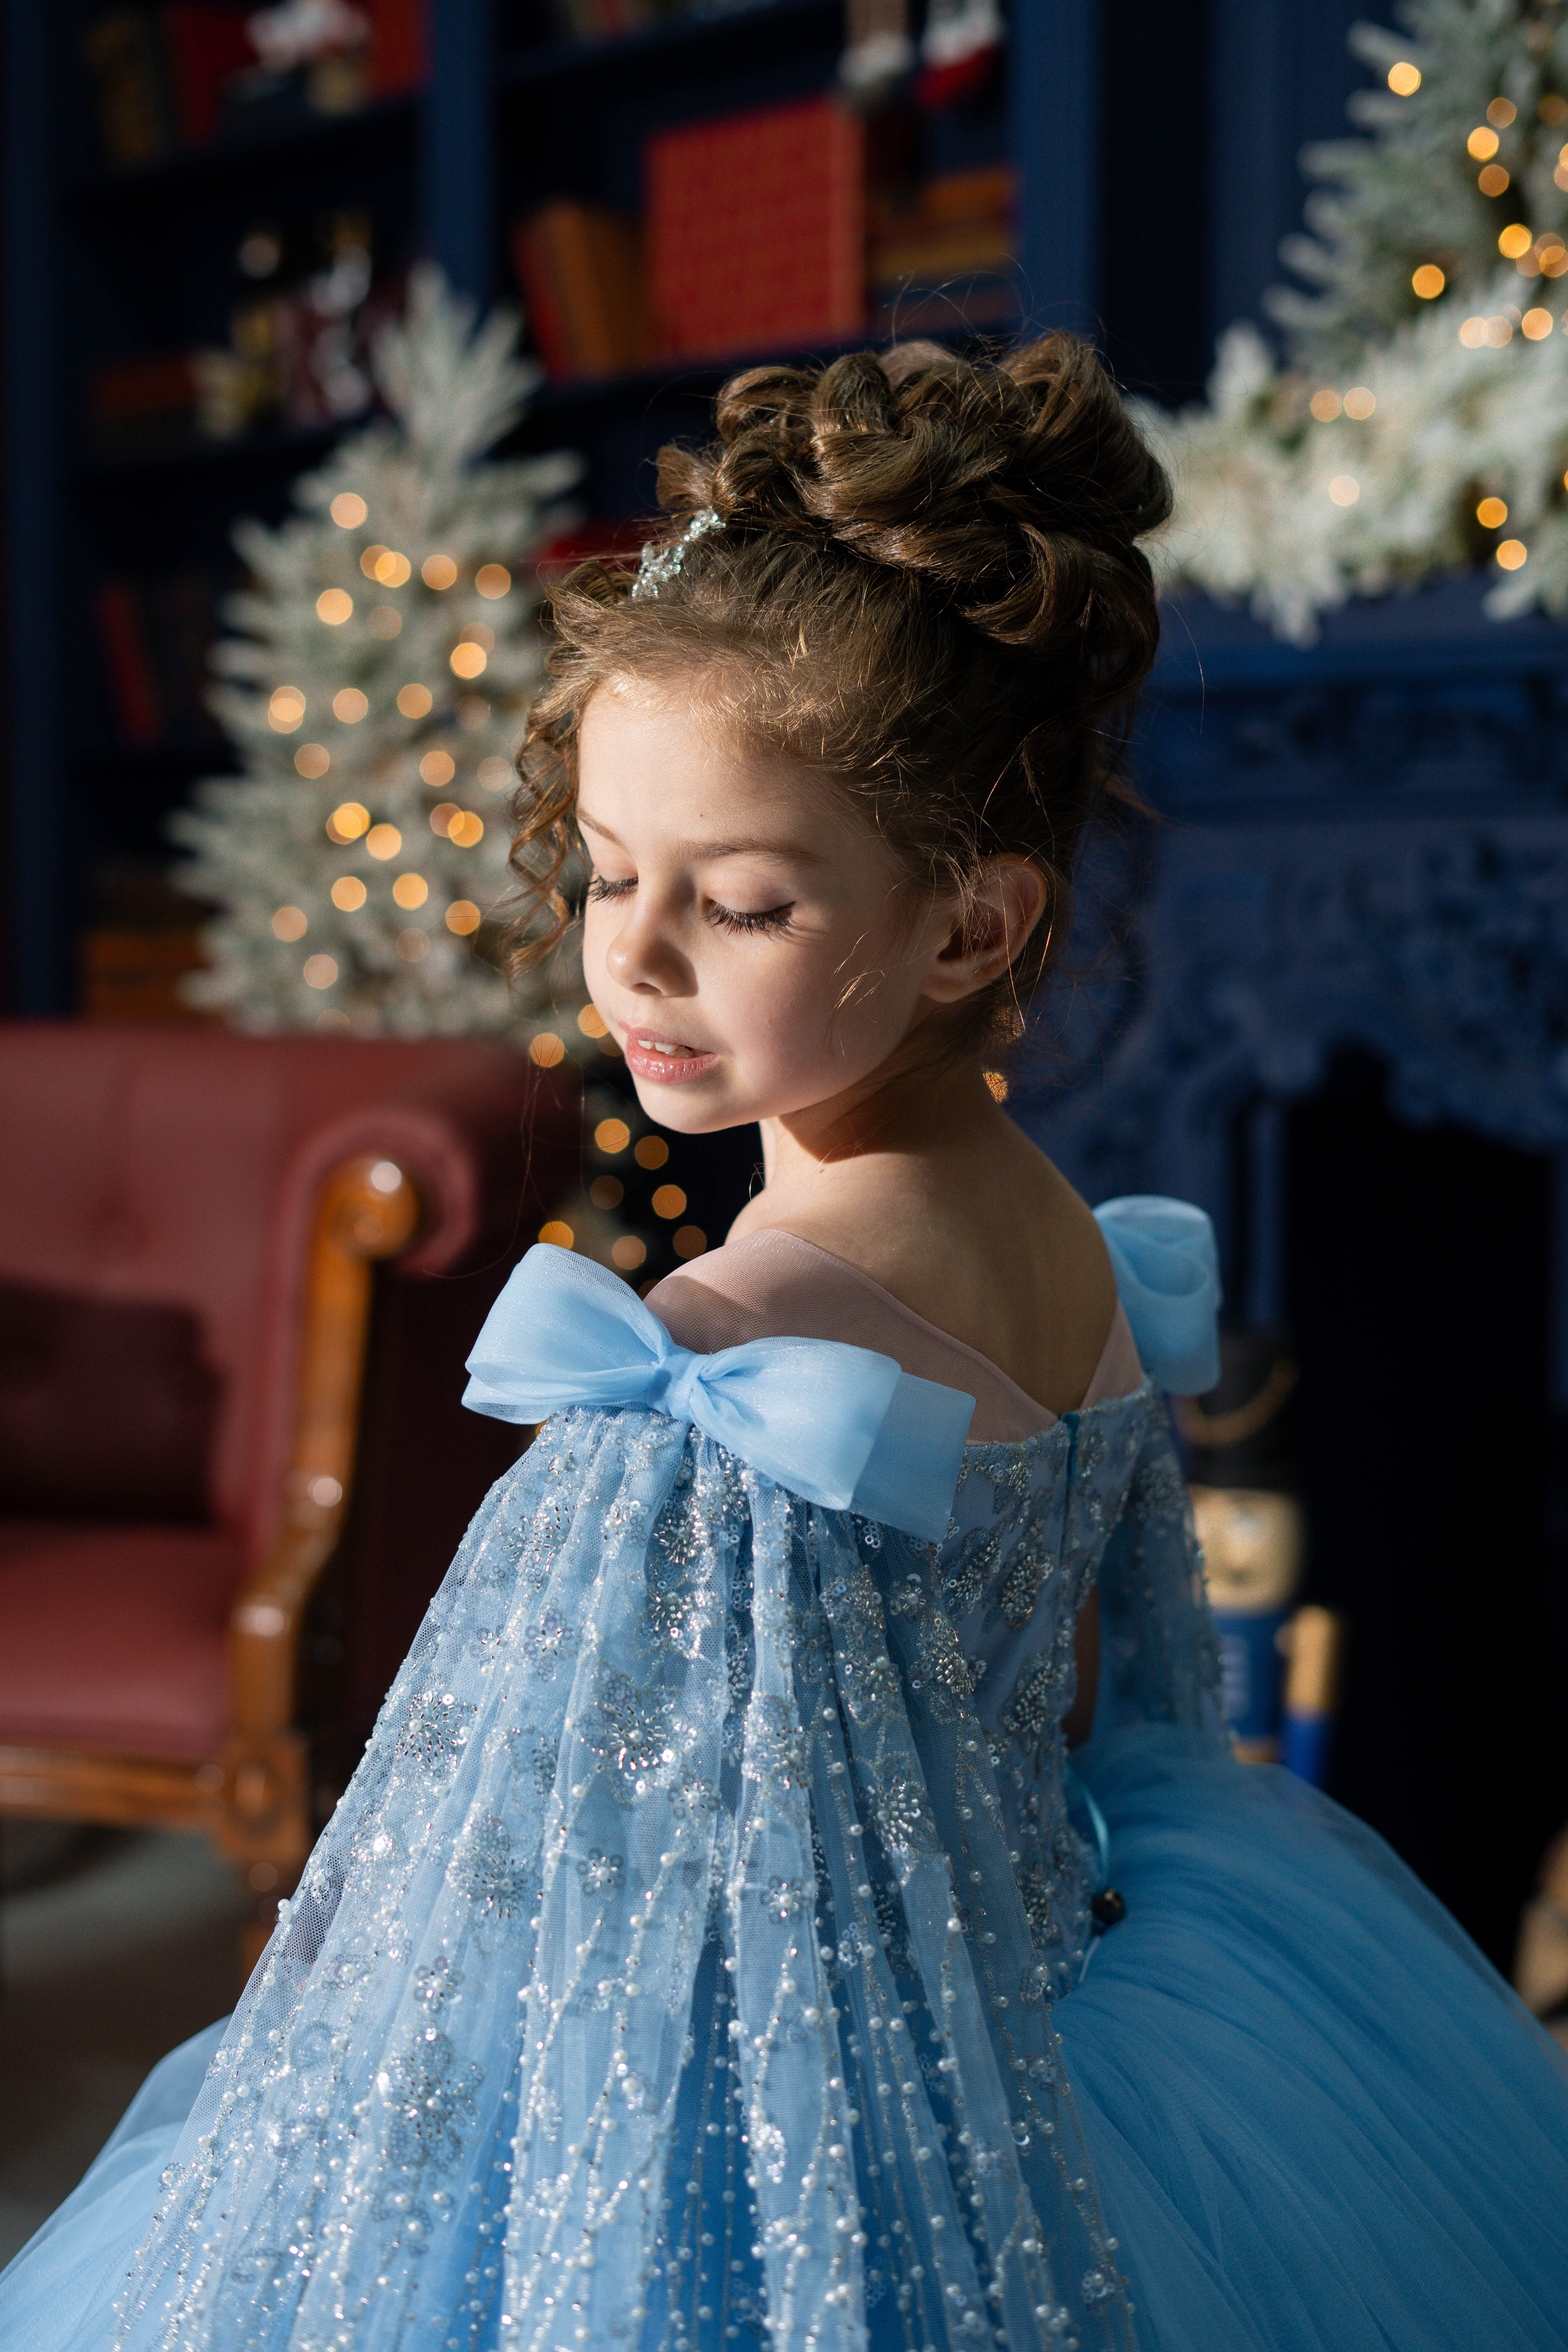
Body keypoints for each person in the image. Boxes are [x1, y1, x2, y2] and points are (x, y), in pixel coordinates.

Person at [5, 335, 1567, 2352]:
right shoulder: (1070, 1240)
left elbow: (523, 1870)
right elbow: (1113, 1713)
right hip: (1067, 2034)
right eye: (608, 870)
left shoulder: (721, 1361)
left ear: (971, 927)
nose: (635, 957)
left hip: (806, 2129)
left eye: (740, 904)